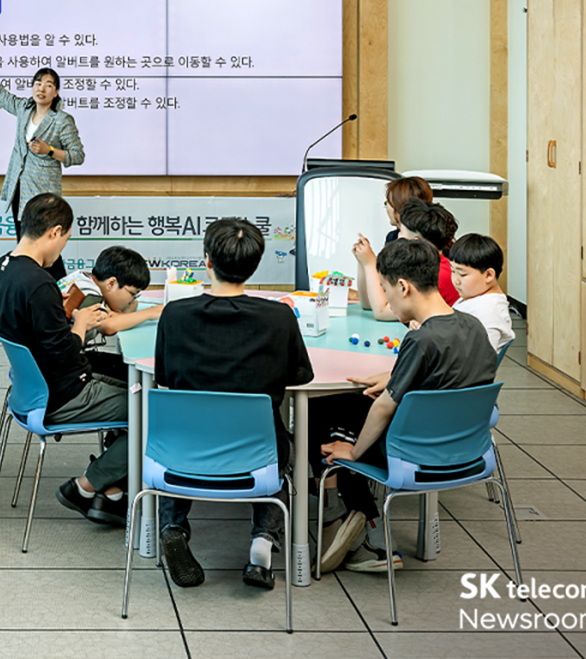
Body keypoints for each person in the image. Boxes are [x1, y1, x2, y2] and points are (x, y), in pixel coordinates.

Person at [317, 238, 496, 575]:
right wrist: (399, 376)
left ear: (403, 286)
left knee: (328, 418)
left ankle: (347, 520)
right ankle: (357, 527)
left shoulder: (420, 339)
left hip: (412, 452)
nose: (384, 299)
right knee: (351, 411)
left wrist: (354, 452)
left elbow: (385, 409)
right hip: (464, 449)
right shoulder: (473, 326)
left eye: (385, 289)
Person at [153, 219, 314, 592]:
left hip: (183, 449)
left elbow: (164, 378)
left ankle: (173, 527)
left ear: (207, 260)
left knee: (180, 433)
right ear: (256, 265)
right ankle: (262, 542)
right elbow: (299, 376)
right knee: (277, 445)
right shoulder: (279, 316)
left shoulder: (174, 314)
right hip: (257, 453)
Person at [0, 193, 129, 527]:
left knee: (127, 378)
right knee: (152, 410)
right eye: (66, 239)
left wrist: (51, 314)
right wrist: (78, 323)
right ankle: (87, 487)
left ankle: (114, 491)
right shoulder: (38, 283)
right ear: (55, 232)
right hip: (63, 393)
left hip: (28, 388)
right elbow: (65, 352)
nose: (62, 247)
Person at [0, 56, 85, 281]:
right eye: (38, 83)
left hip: (43, 194)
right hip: (19, 189)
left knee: (49, 248)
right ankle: (34, 292)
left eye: (48, 85)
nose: (42, 89)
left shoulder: (62, 120)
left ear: (56, 92)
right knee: (26, 245)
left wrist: (49, 150)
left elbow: (77, 156)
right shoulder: (24, 108)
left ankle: (61, 294)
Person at [354, 198, 460, 318]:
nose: (398, 237)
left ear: (415, 243)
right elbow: (369, 304)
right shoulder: (418, 267)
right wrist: (362, 261)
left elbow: (382, 312)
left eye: (401, 233)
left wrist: (369, 264)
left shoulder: (437, 275)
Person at [447, 233, 514, 354]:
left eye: (462, 274)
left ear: (488, 275)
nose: (455, 280)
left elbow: (476, 361)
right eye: (452, 270)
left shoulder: (489, 313)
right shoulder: (473, 297)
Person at [87, 245, 162, 336]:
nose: (132, 300)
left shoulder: (88, 281)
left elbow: (119, 315)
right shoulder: (87, 292)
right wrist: (150, 313)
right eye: (132, 293)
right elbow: (107, 326)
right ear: (111, 284)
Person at [382, 176, 434, 245]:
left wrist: (369, 256)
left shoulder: (428, 242)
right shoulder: (393, 236)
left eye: (388, 202)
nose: (386, 207)